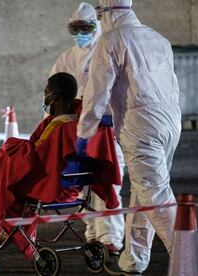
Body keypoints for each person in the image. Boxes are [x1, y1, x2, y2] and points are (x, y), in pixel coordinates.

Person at [75, 0, 182, 274]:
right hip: (170, 123)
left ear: (107, 13)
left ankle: (189, 259)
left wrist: (84, 132)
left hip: (140, 128)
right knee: (143, 193)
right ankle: (134, 259)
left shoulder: (111, 40)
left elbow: (97, 92)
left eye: (99, 16)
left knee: (156, 196)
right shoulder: (159, 38)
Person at [0, 72, 122, 259]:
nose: (44, 96)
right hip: (73, 187)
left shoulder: (59, 127)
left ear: (55, 95)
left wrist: (11, 148)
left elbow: (36, 157)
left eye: (46, 91)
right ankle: (10, 231)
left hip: (48, 186)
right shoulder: (80, 123)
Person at [50, 2, 125, 255]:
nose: (81, 33)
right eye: (76, 28)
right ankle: (93, 234)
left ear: (97, 26)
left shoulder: (107, 51)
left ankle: (111, 238)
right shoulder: (66, 58)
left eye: (86, 27)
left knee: (108, 183)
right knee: (85, 187)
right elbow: (52, 94)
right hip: (76, 133)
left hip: (107, 131)